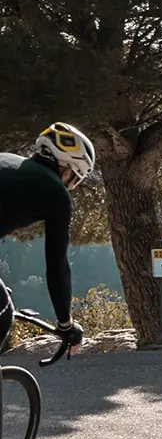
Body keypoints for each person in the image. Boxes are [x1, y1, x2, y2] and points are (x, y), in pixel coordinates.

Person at [0, 123, 95, 356]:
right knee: (3, 314)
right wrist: (66, 324)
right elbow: (57, 267)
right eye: (74, 178)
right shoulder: (56, 193)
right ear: (66, 169)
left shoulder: (7, 160)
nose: (70, 186)